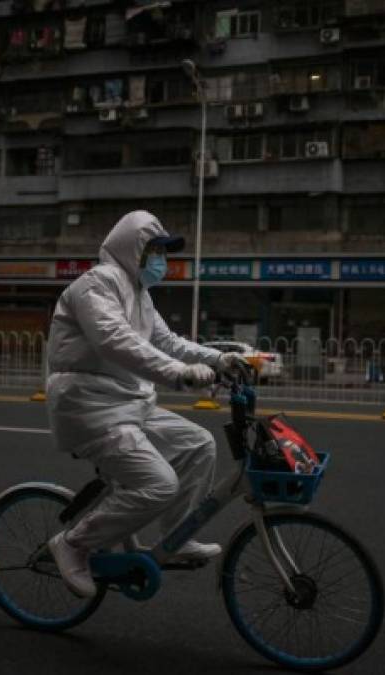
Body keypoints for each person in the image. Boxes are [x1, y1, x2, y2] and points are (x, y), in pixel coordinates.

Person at [44, 210, 247, 598]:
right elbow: (114, 339)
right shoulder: (97, 284)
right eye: (155, 250)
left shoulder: (140, 293)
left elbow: (168, 342)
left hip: (129, 402)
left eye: (164, 252)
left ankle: (175, 538)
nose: (162, 260)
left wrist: (217, 359)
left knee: (198, 444)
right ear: (132, 249)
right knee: (158, 484)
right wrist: (177, 372)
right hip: (89, 407)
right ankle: (73, 543)